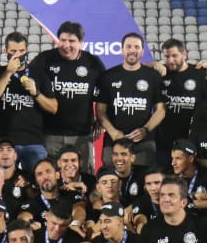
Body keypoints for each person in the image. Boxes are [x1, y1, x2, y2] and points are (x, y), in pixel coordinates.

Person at [28, 21, 106, 166]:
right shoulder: (44, 59)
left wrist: (101, 119)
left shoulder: (92, 62)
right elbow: (26, 80)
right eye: (62, 40)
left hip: (82, 135)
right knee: (51, 178)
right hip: (50, 135)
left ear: (81, 42)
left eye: (72, 41)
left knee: (85, 179)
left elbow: (107, 91)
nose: (66, 45)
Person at [0, 31, 55, 179]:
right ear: (5, 51)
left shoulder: (38, 74)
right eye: (13, 51)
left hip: (33, 141)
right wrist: (7, 74)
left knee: (40, 181)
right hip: (4, 142)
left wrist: (36, 93)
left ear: (27, 50)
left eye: (21, 51)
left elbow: (53, 107)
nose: (17, 55)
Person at [95, 32, 164, 167]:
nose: (133, 50)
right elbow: (100, 110)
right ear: (122, 50)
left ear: (142, 51)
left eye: (137, 47)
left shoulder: (153, 76)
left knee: (143, 182)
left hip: (144, 142)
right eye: (129, 47)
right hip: (114, 142)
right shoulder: (108, 76)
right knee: (112, 181)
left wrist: (146, 129)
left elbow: (161, 110)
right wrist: (113, 132)